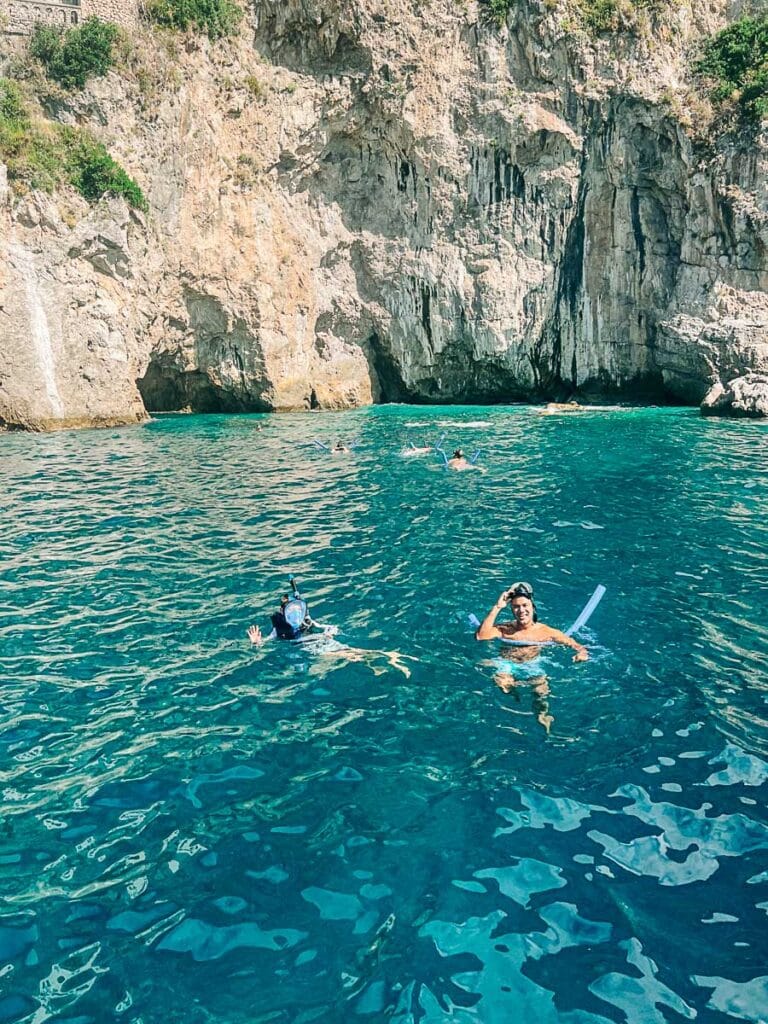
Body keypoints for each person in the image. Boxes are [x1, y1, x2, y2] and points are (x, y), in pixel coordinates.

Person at [475, 581, 588, 733]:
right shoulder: (504, 629)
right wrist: (497, 607)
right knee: (503, 683)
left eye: (525, 605)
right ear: (512, 610)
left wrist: (581, 653)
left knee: (541, 692)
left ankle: (542, 717)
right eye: (516, 606)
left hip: (533, 664)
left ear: (532, 606)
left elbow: (575, 644)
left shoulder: (546, 632)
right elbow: (481, 636)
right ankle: (515, 701)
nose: (521, 610)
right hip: (507, 663)